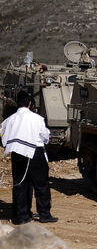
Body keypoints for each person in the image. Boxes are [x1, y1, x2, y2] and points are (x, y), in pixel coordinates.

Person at [0, 90, 58, 225]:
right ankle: (44, 215)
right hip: (35, 153)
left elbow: (2, 133)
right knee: (41, 184)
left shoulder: (10, 119)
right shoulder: (37, 119)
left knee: (20, 184)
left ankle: (21, 216)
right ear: (30, 103)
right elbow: (45, 137)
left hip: (18, 153)